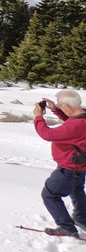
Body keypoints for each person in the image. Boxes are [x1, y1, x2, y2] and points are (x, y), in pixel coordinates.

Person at [33, 90, 86, 238]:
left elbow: (47, 134)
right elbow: (73, 121)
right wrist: (56, 109)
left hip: (68, 170)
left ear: (68, 106)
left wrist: (38, 117)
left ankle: (66, 227)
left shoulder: (76, 125)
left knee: (49, 195)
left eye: (61, 105)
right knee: (77, 191)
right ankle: (82, 219)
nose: (59, 106)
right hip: (80, 167)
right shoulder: (83, 116)